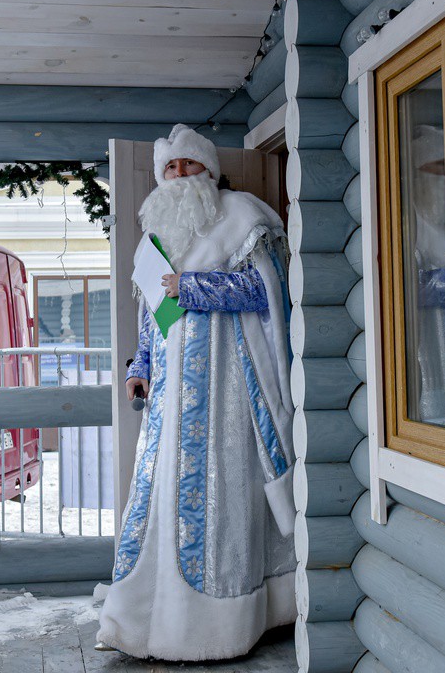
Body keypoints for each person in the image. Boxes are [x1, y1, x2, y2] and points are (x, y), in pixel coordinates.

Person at [96, 124, 296, 661]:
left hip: (229, 389)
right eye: (170, 168)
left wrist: (195, 287)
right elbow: (154, 314)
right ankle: (149, 614)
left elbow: (269, 290)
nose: (179, 175)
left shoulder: (244, 216)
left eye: (188, 165)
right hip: (169, 400)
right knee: (161, 499)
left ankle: (222, 622)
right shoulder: (156, 234)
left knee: (223, 494)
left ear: (208, 169)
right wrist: (140, 364)